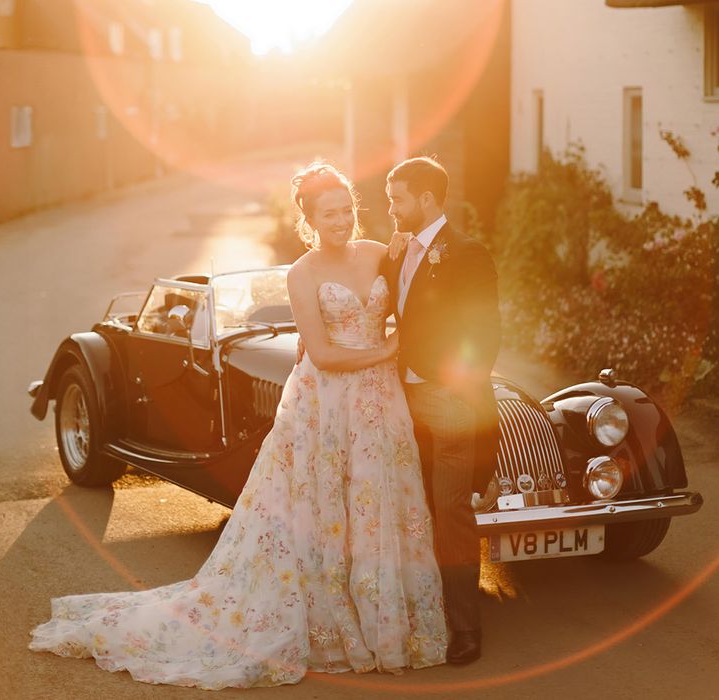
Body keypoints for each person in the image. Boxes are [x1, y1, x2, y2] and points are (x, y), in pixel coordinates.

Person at [29, 163, 447, 690]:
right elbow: (320, 352)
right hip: (329, 401)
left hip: (382, 402)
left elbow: (419, 297)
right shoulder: (303, 273)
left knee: (379, 500)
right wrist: (387, 349)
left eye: (347, 210)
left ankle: (387, 619)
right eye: (329, 214)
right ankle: (333, 619)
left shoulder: (380, 253)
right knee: (325, 508)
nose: (341, 221)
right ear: (310, 220)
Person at [380, 156, 501, 665]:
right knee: (402, 505)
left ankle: (465, 628)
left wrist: (453, 387)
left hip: (446, 401)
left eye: (398, 200)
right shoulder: (396, 251)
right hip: (393, 399)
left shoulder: (469, 253)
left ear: (426, 199)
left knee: (450, 512)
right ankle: (407, 610)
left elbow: (486, 336)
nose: (391, 209)